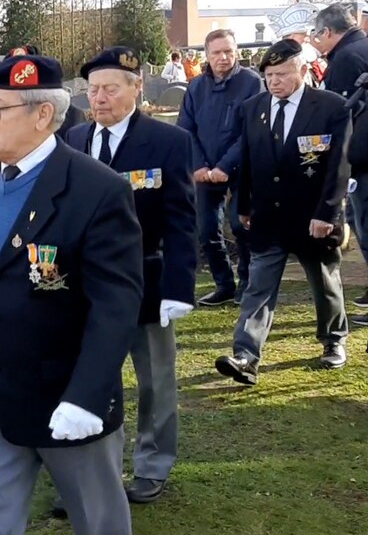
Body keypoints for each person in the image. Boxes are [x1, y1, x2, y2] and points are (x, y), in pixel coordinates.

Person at [0, 54, 142, 535]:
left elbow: (116, 304)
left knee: (100, 528)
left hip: (68, 394)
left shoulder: (97, 189)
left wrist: (86, 395)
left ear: (42, 114)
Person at [67, 47, 197, 504]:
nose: (99, 98)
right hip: (82, 285)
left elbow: (182, 218)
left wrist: (179, 286)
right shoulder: (75, 138)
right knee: (85, 376)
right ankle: (84, 472)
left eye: (110, 89)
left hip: (145, 277)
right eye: (93, 89)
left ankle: (153, 464)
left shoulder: (168, 143)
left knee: (154, 380)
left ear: (136, 88)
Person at [215, 39, 352, 385]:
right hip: (267, 217)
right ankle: (246, 356)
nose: (274, 81)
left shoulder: (330, 107)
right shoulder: (253, 107)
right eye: (269, 75)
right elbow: (246, 160)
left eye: (281, 74)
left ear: (303, 70)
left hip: (312, 218)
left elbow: (338, 166)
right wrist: (243, 206)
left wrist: (328, 214)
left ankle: (333, 340)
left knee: (324, 283)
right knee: (258, 288)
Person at [177, 29, 262, 306]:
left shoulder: (251, 83)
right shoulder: (196, 86)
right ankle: (223, 284)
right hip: (205, 171)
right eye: (216, 53)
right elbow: (186, 130)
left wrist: (226, 165)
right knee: (206, 229)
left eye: (228, 51)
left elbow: (250, 132)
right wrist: (198, 165)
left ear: (236, 51)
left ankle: (247, 284)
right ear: (207, 55)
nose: (223, 57)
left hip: (242, 168)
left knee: (241, 225)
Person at [309, 3, 368, 312]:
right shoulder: (363, 47)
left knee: (366, 225)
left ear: (328, 32)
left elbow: (341, 115)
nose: (316, 42)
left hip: (362, 156)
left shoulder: (345, 58)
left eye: (317, 35)